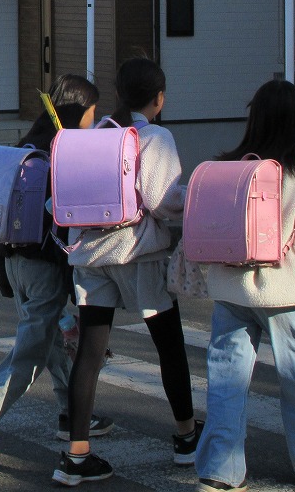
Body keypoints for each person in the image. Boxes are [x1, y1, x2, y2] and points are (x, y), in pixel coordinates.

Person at [195, 80, 295, 492]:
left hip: (230, 292)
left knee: (226, 382)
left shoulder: (228, 169)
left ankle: (219, 470)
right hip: (285, 295)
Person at [0, 75, 112, 472]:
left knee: (49, 338)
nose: (96, 119)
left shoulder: (28, 145)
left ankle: (69, 413)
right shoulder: (63, 153)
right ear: (78, 112)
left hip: (12, 261)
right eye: (92, 112)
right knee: (31, 351)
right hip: (42, 268)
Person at [54, 58, 199, 486]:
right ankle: (187, 437)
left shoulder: (95, 133)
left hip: (90, 255)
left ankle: (77, 456)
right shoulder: (153, 136)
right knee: (169, 346)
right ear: (159, 98)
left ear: (118, 94)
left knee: (90, 355)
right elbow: (162, 200)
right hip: (138, 253)